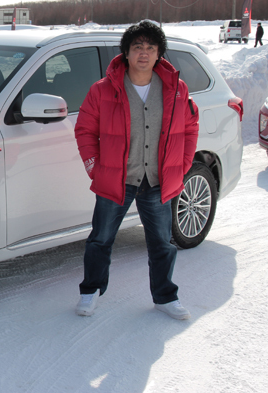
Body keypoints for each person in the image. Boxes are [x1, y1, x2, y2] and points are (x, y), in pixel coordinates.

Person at [74, 20, 199, 320]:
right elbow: (85, 131)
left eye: (150, 48)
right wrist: (95, 168)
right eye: (137, 47)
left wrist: (180, 166)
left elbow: (190, 127)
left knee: (161, 243)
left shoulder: (176, 89)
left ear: (159, 54)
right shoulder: (103, 90)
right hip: (117, 179)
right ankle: (90, 292)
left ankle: (166, 297)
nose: (144, 53)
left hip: (157, 180)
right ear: (126, 53)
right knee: (100, 240)